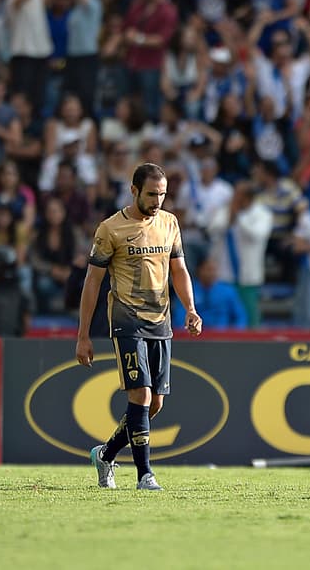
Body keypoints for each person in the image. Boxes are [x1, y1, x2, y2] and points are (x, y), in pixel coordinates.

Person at [77, 163, 203, 492]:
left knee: (155, 403)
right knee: (141, 394)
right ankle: (145, 475)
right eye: (151, 194)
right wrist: (83, 335)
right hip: (126, 317)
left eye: (162, 194)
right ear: (133, 191)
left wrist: (190, 308)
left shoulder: (169, 223)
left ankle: (105, 454)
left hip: (161, 319)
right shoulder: (110, 229)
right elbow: (92, 282)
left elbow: (179, 270)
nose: (158, 200)